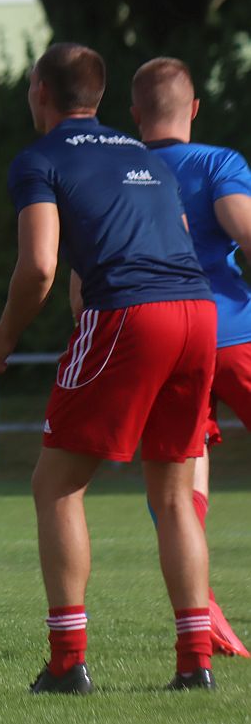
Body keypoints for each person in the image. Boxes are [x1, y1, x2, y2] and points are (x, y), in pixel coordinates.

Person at [0, 43, 217, 693]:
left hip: (132, 314)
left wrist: (4, 333)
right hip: (199, 314)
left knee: (55, 483)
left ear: (38, 90)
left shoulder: (41, 158)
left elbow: (41, 268)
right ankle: (195, 660)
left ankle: (67, 660)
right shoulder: (143, 156)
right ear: (102, 96)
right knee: (173, 495)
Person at [131, 56, 251, 659]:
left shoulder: (119, 169)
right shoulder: (216, 162)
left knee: (178, 476)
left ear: (134, 113)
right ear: (195, 108)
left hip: (162, 343)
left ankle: (202, 607)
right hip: (232, 333)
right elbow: (245, 231)